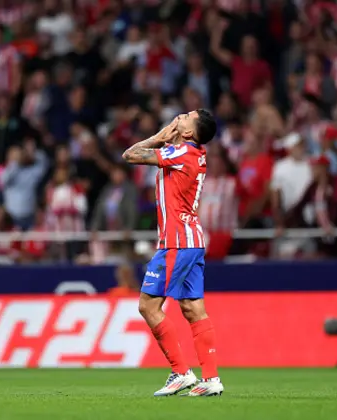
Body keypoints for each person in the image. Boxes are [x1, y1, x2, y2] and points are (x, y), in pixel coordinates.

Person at [122, 109, 222, 397]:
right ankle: (211, 378)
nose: (180, 116)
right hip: (192, 240)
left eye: (187, 117)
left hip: (176, 242)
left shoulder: (181, 152)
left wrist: (157, 137)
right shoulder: (191, 153)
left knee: (147, 306)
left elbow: (130, 155)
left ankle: (181, 372)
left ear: (190, 133)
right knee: (193, 308)